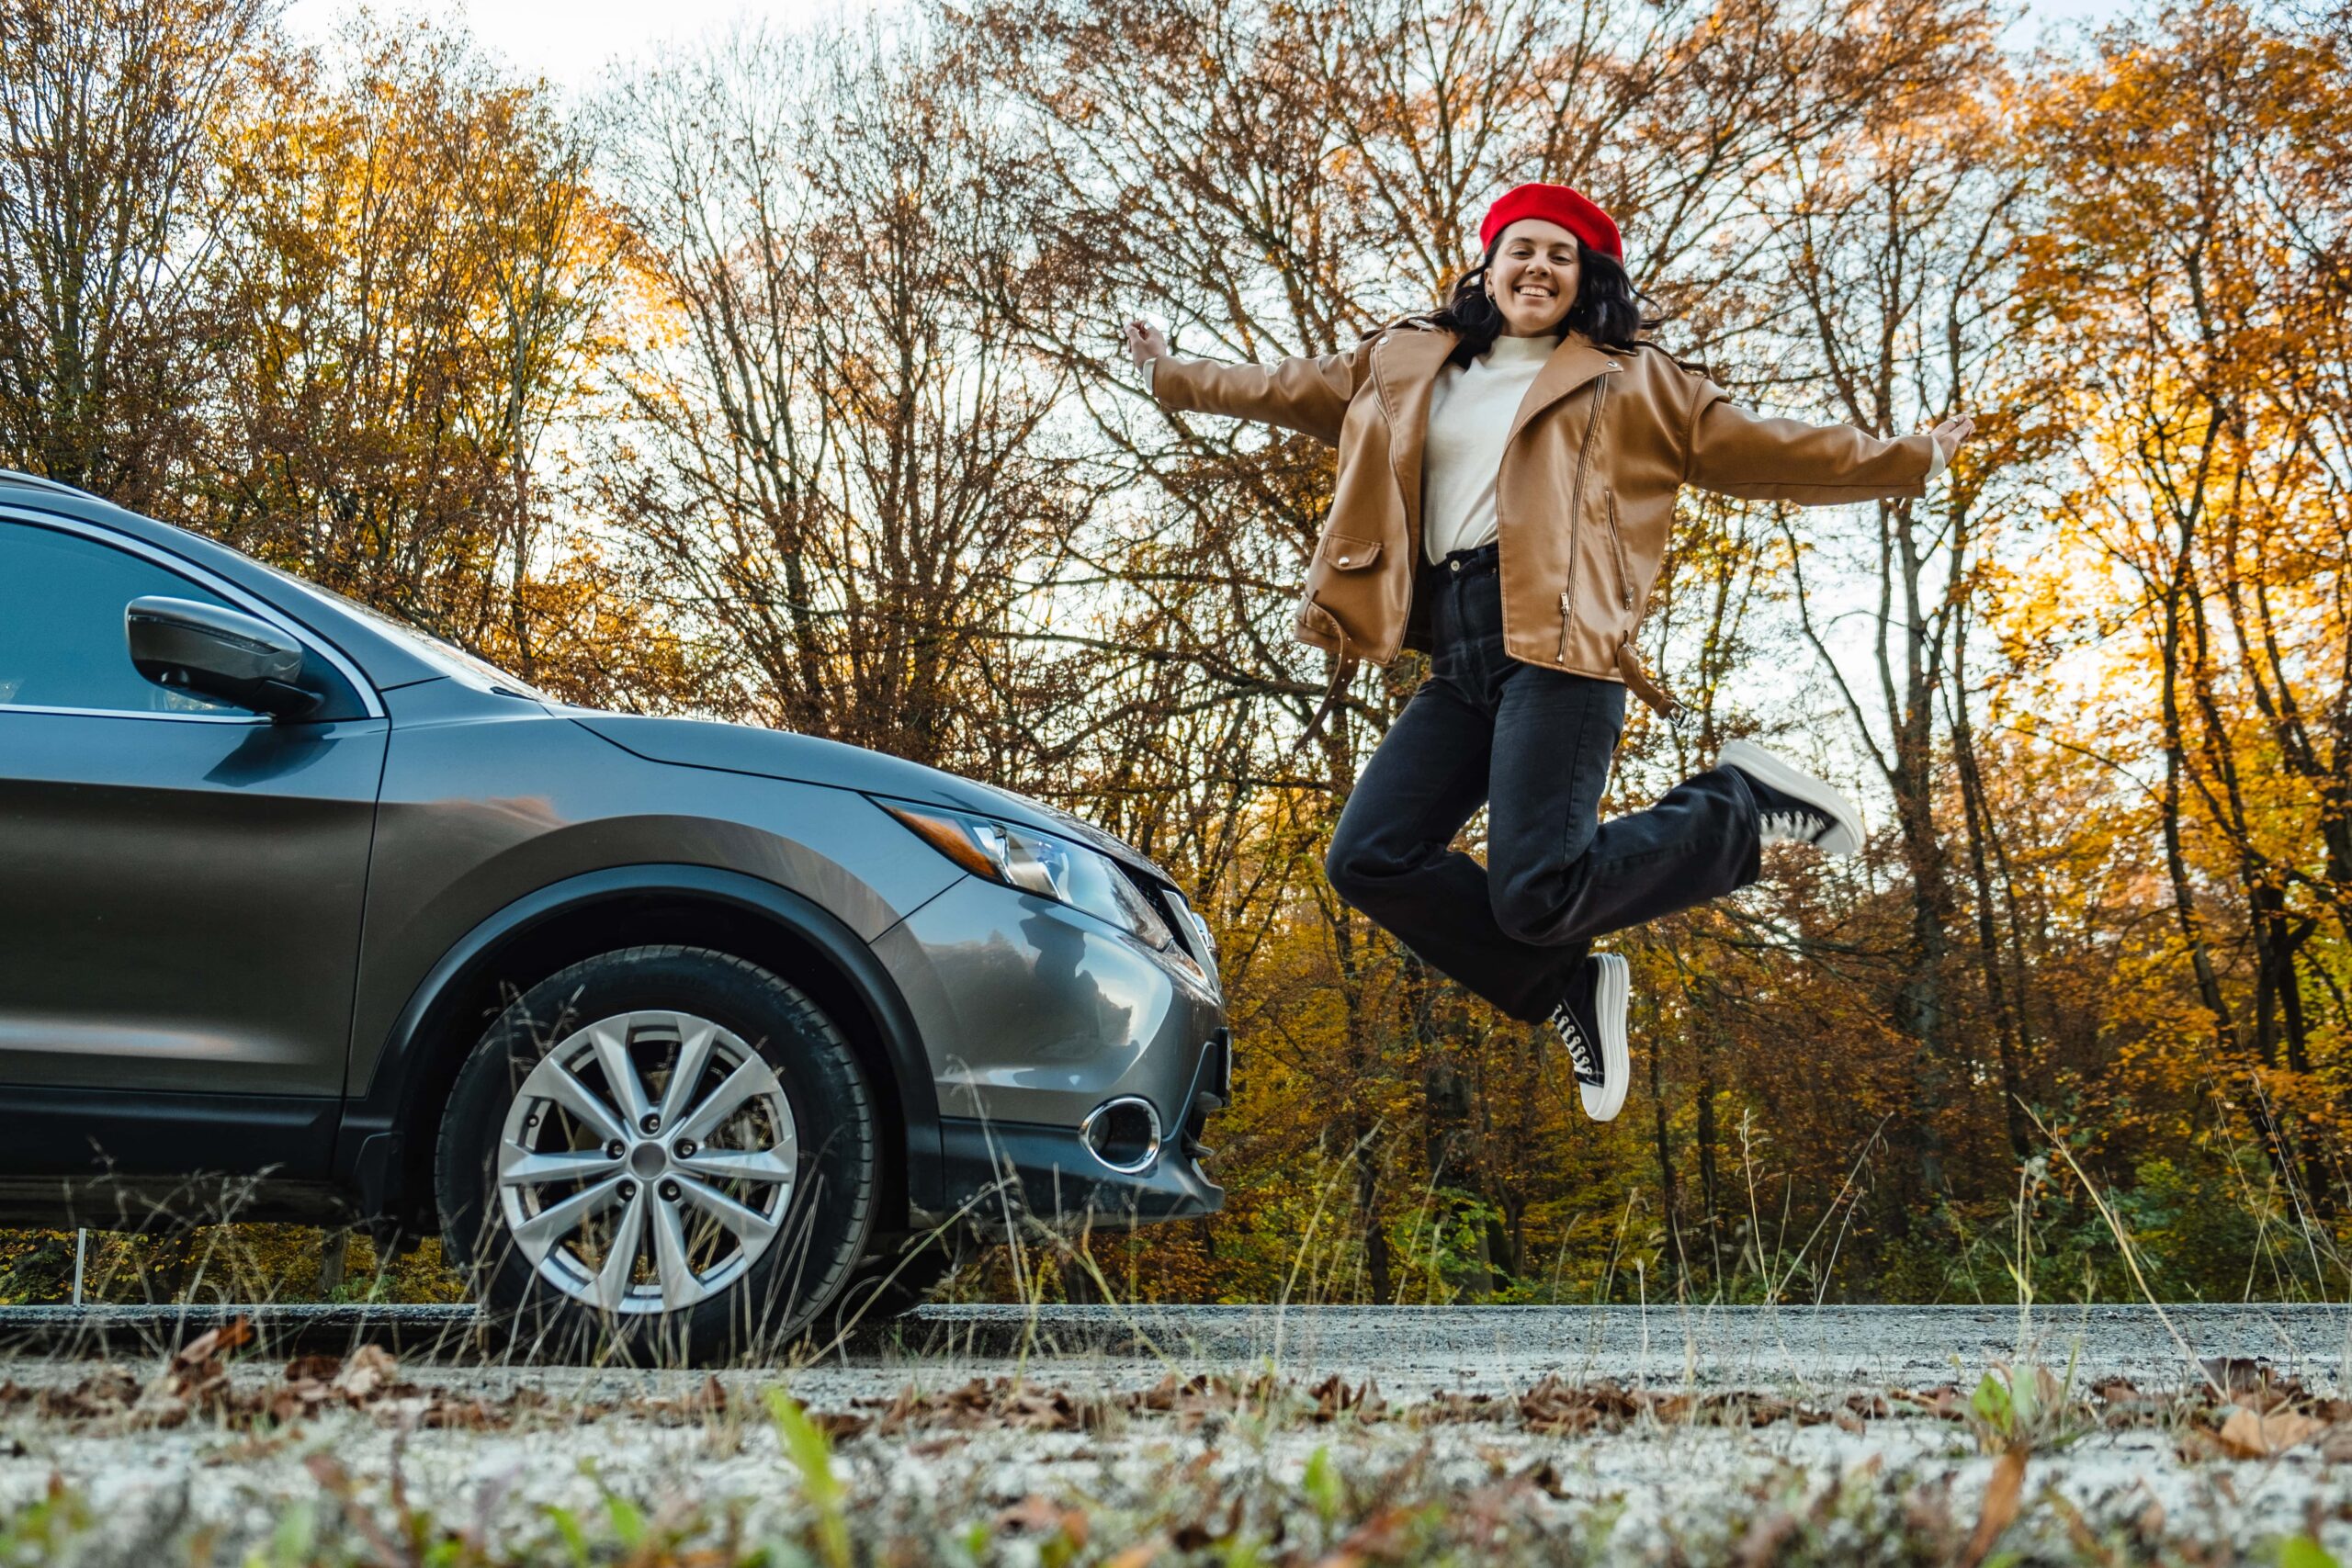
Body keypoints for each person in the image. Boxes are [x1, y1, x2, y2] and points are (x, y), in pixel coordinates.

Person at [1124, 181, 1973, 1122]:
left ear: (1584, 279)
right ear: (1487, 267)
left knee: (1537, 890)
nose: (1538, 266)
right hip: (1458, 651)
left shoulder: (1631, 378)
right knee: (1371, 857)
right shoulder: (1404, 362)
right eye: (1520, 249)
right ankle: (1566, 984)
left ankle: (1739, 804)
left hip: (1561, 645)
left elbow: (1765, 447)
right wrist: (1170, 374)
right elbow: (1277, 386)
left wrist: (1908, 458)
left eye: (1561, 256)